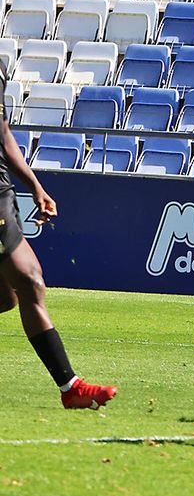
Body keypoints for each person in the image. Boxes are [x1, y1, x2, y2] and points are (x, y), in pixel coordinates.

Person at [0, 65, 116, 411]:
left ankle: (71, 389)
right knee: (29, 281)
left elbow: (3, 134)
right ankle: (71, 388)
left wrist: (34, 185)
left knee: (7, 298)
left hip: (3, 192)